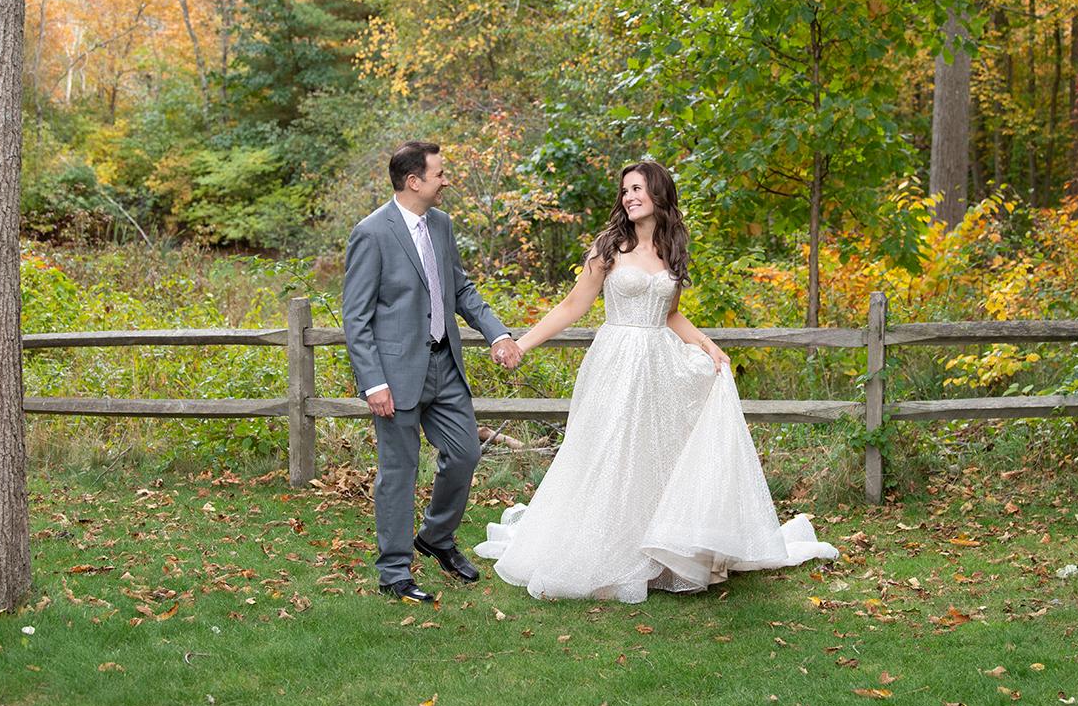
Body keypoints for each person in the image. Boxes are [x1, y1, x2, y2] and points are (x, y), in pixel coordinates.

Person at [474, 161, 839, 603]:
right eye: (625, 190)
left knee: (651, 453)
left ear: (658, 195)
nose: (629, 197)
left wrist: (708, 346)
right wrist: (522, 344)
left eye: (638, 189)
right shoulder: (608, 248)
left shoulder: (671, 250)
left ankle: (658, 553)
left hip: (658, 364)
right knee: (608, 449)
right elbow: (573, 304)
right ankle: (600, 548)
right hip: (615, 361)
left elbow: (670, 313)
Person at [343, 141, 522, 604]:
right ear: (413, 181)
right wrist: (373, 382)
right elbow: (356, 317)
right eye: (440, 173)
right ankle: (394, 571)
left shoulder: (441, 225)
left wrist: (497, 334)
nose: (446, 181)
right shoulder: (371, 233)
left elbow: (460, 289)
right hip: (395, 376)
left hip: (445, 365)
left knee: (465, 454)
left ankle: (437, 538)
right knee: (398, 473)